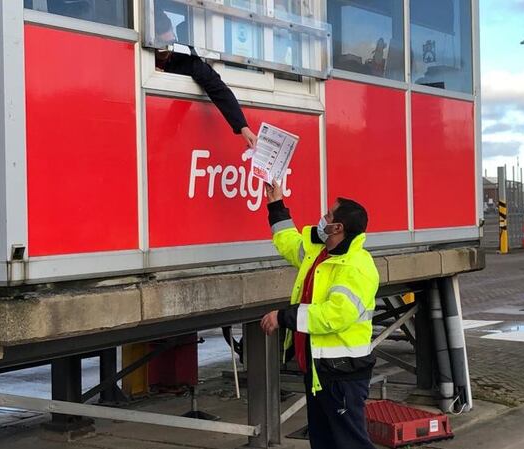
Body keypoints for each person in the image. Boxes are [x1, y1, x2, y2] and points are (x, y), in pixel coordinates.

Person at [260, 181, 378, 449]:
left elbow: (334, 315)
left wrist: (283, 317)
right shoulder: (320, 253)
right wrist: (276, 204)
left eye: (328, 214)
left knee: (350, 443)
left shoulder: (356, 266)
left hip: (342, 374)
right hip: (320, 371)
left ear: (337, 228)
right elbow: (289, 243)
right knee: (324, 441)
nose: (322, 217)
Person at [154, 11, 257, 148]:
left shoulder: (184, 60)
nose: (169, 49)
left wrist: (243, 127)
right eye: (164, 45)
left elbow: (217, 88)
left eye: (172, 42)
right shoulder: (146, 61)